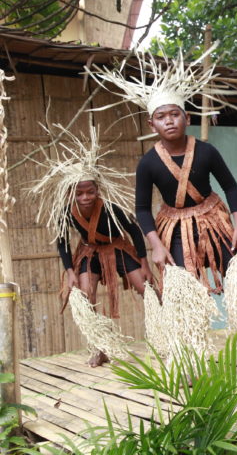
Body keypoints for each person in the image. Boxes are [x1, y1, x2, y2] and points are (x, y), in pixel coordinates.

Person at [89, 47, 237, 366]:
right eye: (161, 117)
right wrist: (156, 245)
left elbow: (230, 186)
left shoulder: (206, 151)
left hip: (214, 221)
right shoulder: (148, 163)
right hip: (175, 229)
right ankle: (192, 356)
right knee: (184, 292)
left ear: (186, 117)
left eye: (174, 114)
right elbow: (141, 209)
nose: (169, 121)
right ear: (152, 124)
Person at [32, 126, 152, 367]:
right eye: (79, 193)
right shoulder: (65, 212)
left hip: (117, 249)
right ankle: (101, 348)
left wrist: (144, 262)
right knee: (86, 297)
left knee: (146, 288)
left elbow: (134, 231)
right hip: (89, 252)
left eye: (90, 192)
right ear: (71, 193)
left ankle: (166, 340)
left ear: (98, 190)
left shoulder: (111, 208)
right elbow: (63, 242)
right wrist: (70, 272)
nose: (85, 197)